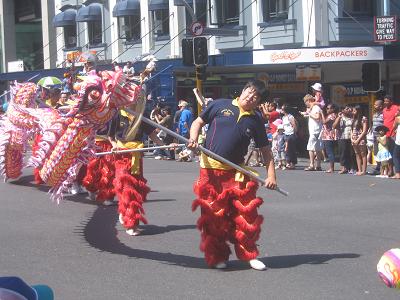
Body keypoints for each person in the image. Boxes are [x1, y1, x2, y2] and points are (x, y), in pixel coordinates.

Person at [188, 79, 277, 271]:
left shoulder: (256, 120)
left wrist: (271, 176)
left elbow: (266, 151)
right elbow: (197, 122)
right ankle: (217, 256)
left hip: (237, 171)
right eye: (250, 92)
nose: (251, 97)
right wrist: (193, 139)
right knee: (214, 217)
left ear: (259, 101)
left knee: (247, 214)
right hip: (210, 171)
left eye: (256, 97)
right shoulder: (219, 105)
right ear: (243, 90)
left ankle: (249, 255)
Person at [301, 94, 323, 171]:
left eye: (305, 102)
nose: (305, 104)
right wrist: (307, 114)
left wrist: (309, 114)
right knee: (317, 148)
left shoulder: (316, 108)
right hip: (317, 130)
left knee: (310, 148)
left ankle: (311, 165)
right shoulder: (314, 108)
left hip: (315, 130)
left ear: (308, 101)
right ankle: (318, 165)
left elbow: (317, 117)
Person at [333, 105, 353, 174]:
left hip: (351, 137)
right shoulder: (341, 118)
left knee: (350, 153)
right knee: (343, 153)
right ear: (343, 111)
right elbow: (334, 126)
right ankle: (343, 167)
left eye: (349, 108)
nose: (349, 110)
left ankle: (350, 167)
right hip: (342, 137)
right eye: (347, 109)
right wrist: (339, 117)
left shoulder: (352, 117)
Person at [350, 105, 368, 175]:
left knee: (363, 154)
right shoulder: (354, 119)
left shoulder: (363, 118)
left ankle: (363, 171)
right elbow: (352, 130)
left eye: (354, 111)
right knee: (357, 154)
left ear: (358, 111)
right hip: (354, 139)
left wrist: (358, 140)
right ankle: (359, 169)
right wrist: (351, 138)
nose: (353, 112)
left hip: (360, 139)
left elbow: (364, 131)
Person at [368, 99, 384, 175]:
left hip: (381, 137)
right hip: (374, 136)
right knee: (376, 152)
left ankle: (382, 169)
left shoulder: (383, 114)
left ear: (381, 106)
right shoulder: (374, 114)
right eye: (374, 104)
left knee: (382, 152)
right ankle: (378, 167)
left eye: (376, 105)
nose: (374, 106)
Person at [321, 104, 338, 173]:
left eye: (329, 108)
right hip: (326, 136)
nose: (327, 110)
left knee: (330, 152)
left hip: (329, 136)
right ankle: (331, 167)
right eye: (327, 108)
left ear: (333, 109)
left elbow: (324, 121)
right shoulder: (330, 115)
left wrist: (322, 114)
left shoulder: (332, 115)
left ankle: (332, 168)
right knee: (329, 152)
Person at [280, 104, 297, 169]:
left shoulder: (290, 117)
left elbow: (294, 125)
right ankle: (288, 162)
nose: (281, 110)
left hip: (291, 134)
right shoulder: (283, 117)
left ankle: (293, 163)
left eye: (282, 109)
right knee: (285, 149)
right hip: (285, 134)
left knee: (291, 149)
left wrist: (294, 133)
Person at [390, 113, 400, 179]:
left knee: (395, 156)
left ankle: (397, 174)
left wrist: (396, 116)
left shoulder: (398, 118)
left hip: (399, 141)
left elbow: (394, 126)